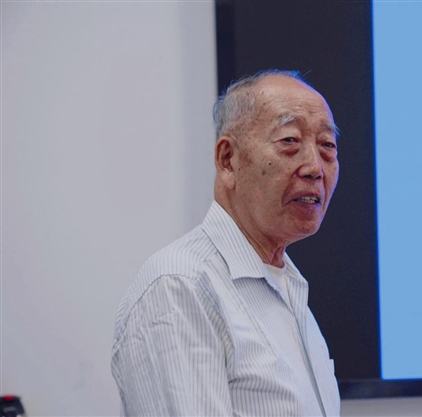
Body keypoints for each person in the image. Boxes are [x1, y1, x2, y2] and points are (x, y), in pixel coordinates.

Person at [111, 70, 341, 416]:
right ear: (228, 160)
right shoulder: (180, 287)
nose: (314, 167)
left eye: (327, 145)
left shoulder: (287, 284)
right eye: (289, 141)